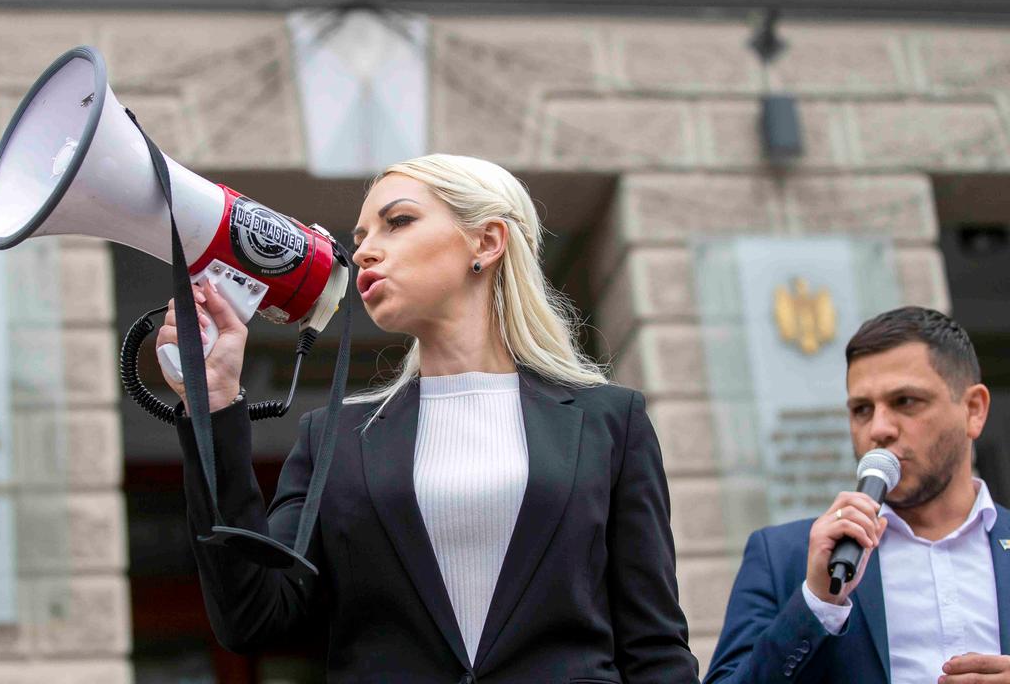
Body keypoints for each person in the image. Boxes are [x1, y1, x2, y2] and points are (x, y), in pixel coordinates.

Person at [157, 154, 699, 683]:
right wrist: (215, 402)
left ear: (486, 242)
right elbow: (253, 615)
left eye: (398, 222)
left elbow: (653, 645)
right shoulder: (335, 438)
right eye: (361, 236)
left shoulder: (608, 421)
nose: (364, 251)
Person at [704, 306, 1010, 684]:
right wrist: (816, 602)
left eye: (906, 402)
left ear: (974, 410)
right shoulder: (784, 556)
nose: (879, 429)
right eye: (862, 409)